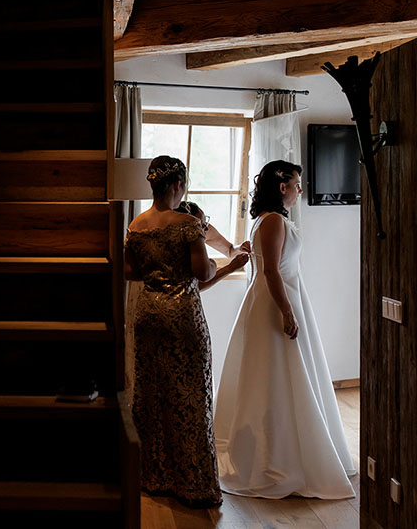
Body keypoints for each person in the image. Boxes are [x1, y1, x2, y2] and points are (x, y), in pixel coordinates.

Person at [214, 160, 356, 499]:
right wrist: (287, 311)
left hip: (281, 297)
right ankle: (278, 456)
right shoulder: (274, 220)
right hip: (275, 302)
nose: (300, 190)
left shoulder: (267, 219)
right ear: (282, 188)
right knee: (276, 374)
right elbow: (272, 272)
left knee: (284, 374)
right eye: (297, 184)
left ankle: (292, 447)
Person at [123, 155, 222, 507]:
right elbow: (202, 272)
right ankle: (192, 484)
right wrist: (212, 263)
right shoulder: (187, 224)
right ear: (178, 185)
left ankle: (154, 477)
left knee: (151, 395)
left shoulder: (135, 225)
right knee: (190, 395)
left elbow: (130, 272)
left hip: (148, 315)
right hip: (181, 316)